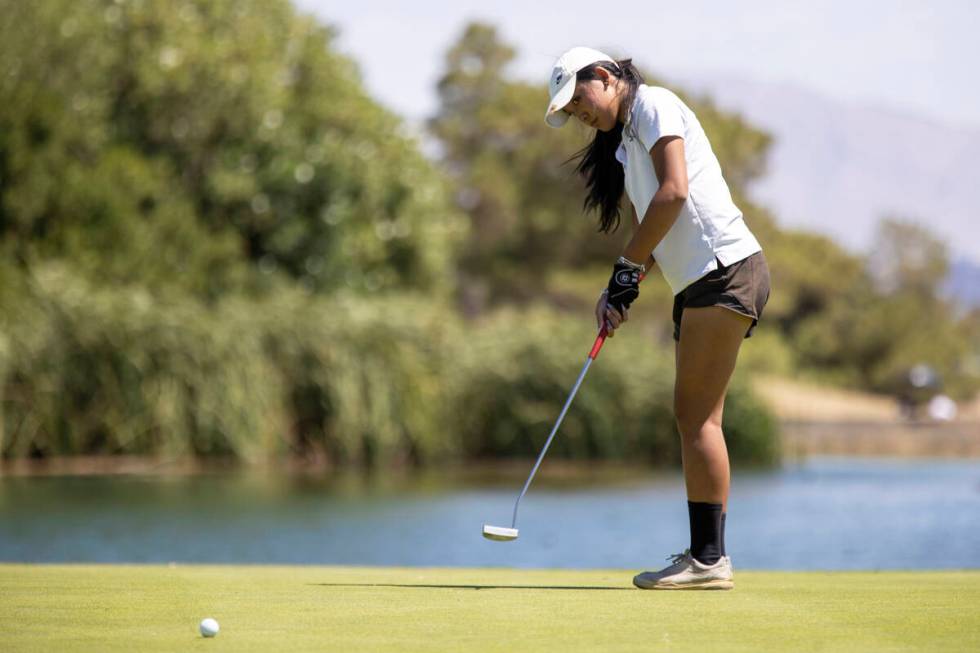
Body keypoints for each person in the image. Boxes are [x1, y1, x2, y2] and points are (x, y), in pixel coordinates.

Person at [544, 47, 771, 590]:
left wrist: (626, 267)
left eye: (580, 100)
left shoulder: (655, 106)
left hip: (725, 269)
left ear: (604, 76)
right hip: (703, 280)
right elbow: (657, 222)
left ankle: (709, 561)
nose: (581, 115)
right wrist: (621, 286)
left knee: (697, 420)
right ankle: (706, 557)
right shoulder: (625, 142)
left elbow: (674, 194)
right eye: (572, 113)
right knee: (694, 417)